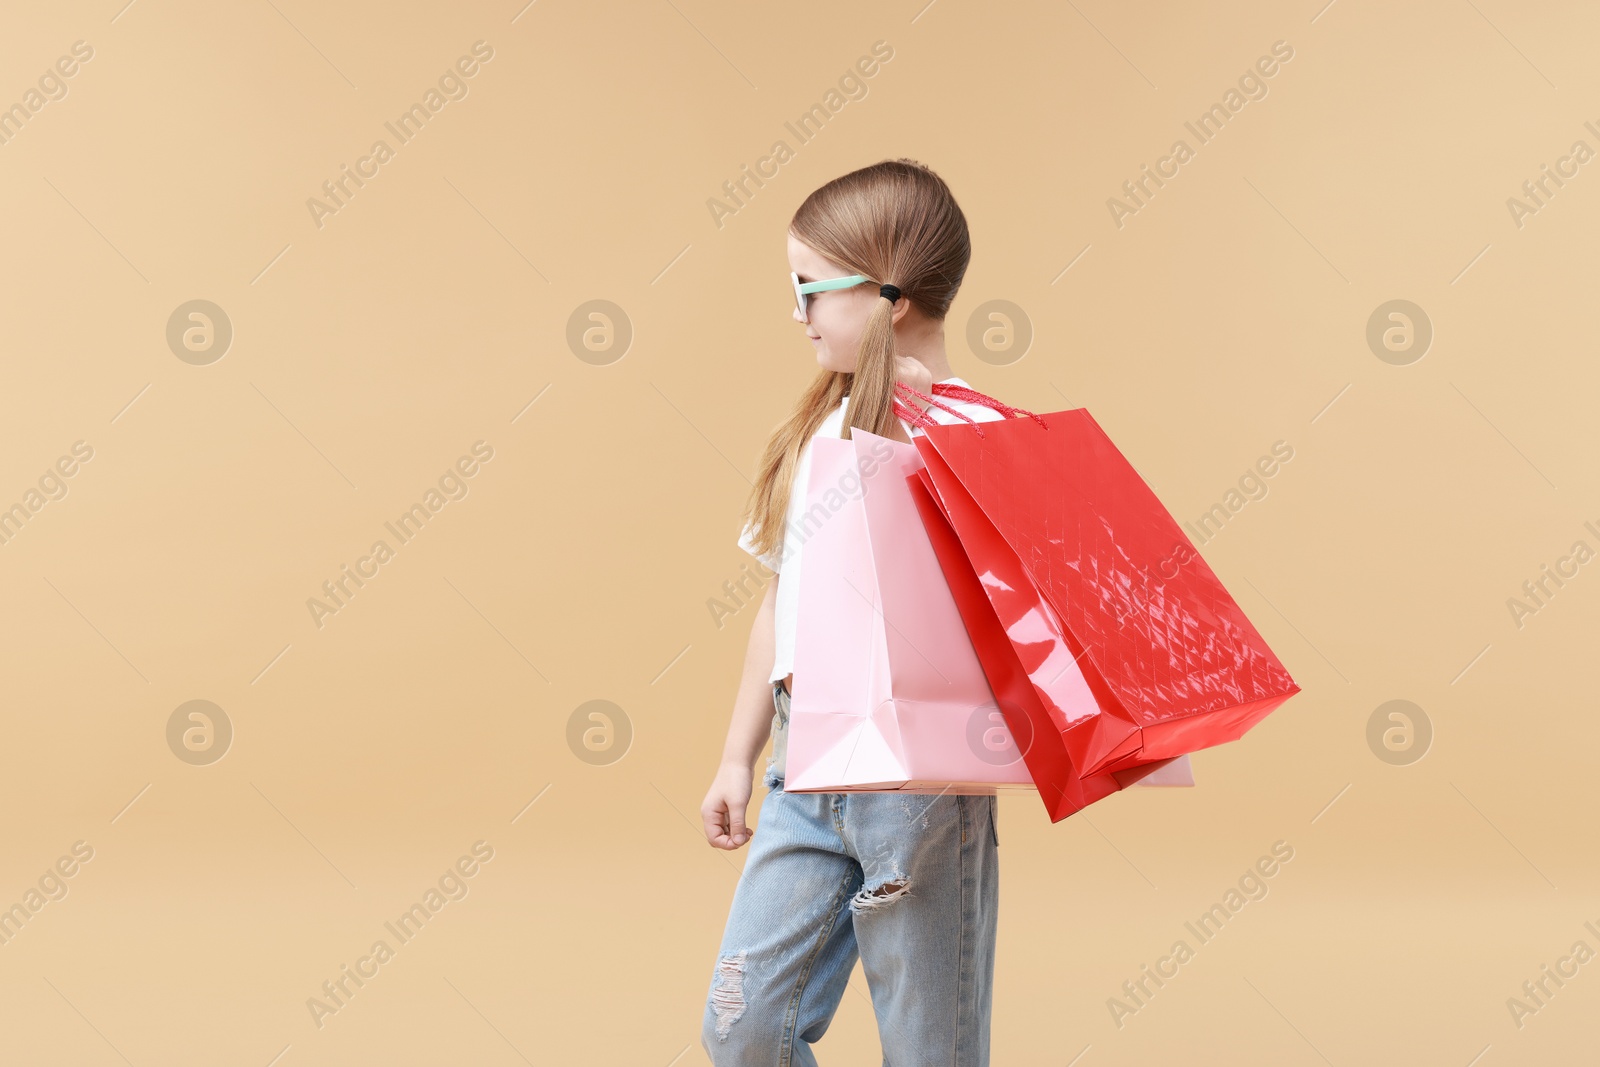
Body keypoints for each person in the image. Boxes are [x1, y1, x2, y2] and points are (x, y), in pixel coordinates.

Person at [699, 158, 1008, 1066]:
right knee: (743, 1026)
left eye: (810, 290)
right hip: (802, 767)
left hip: (918, 784)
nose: (797, 314)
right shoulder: (819, 435)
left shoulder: (980, 437)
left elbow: (1017, 623)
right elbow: (778, 604)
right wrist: (735, 756)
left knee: (930, 1046)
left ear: (889, 293)